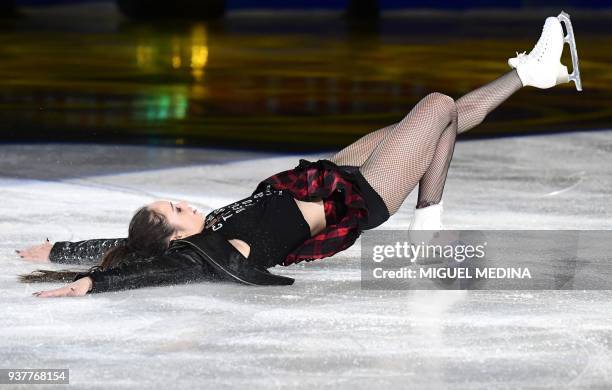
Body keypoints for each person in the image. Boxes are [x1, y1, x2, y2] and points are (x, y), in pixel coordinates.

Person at [17, 13, 581, 297]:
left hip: (333, 171)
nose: (187, 204)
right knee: (435, 106)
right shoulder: (209, 250)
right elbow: (151, 265)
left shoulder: (203, 228)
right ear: (178, 238)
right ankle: (426, 227)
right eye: (176, 209)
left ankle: (532, 74)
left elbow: (124, 246)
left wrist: (61, 249)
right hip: (361, 198)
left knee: (447, 114)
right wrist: (95, 284)